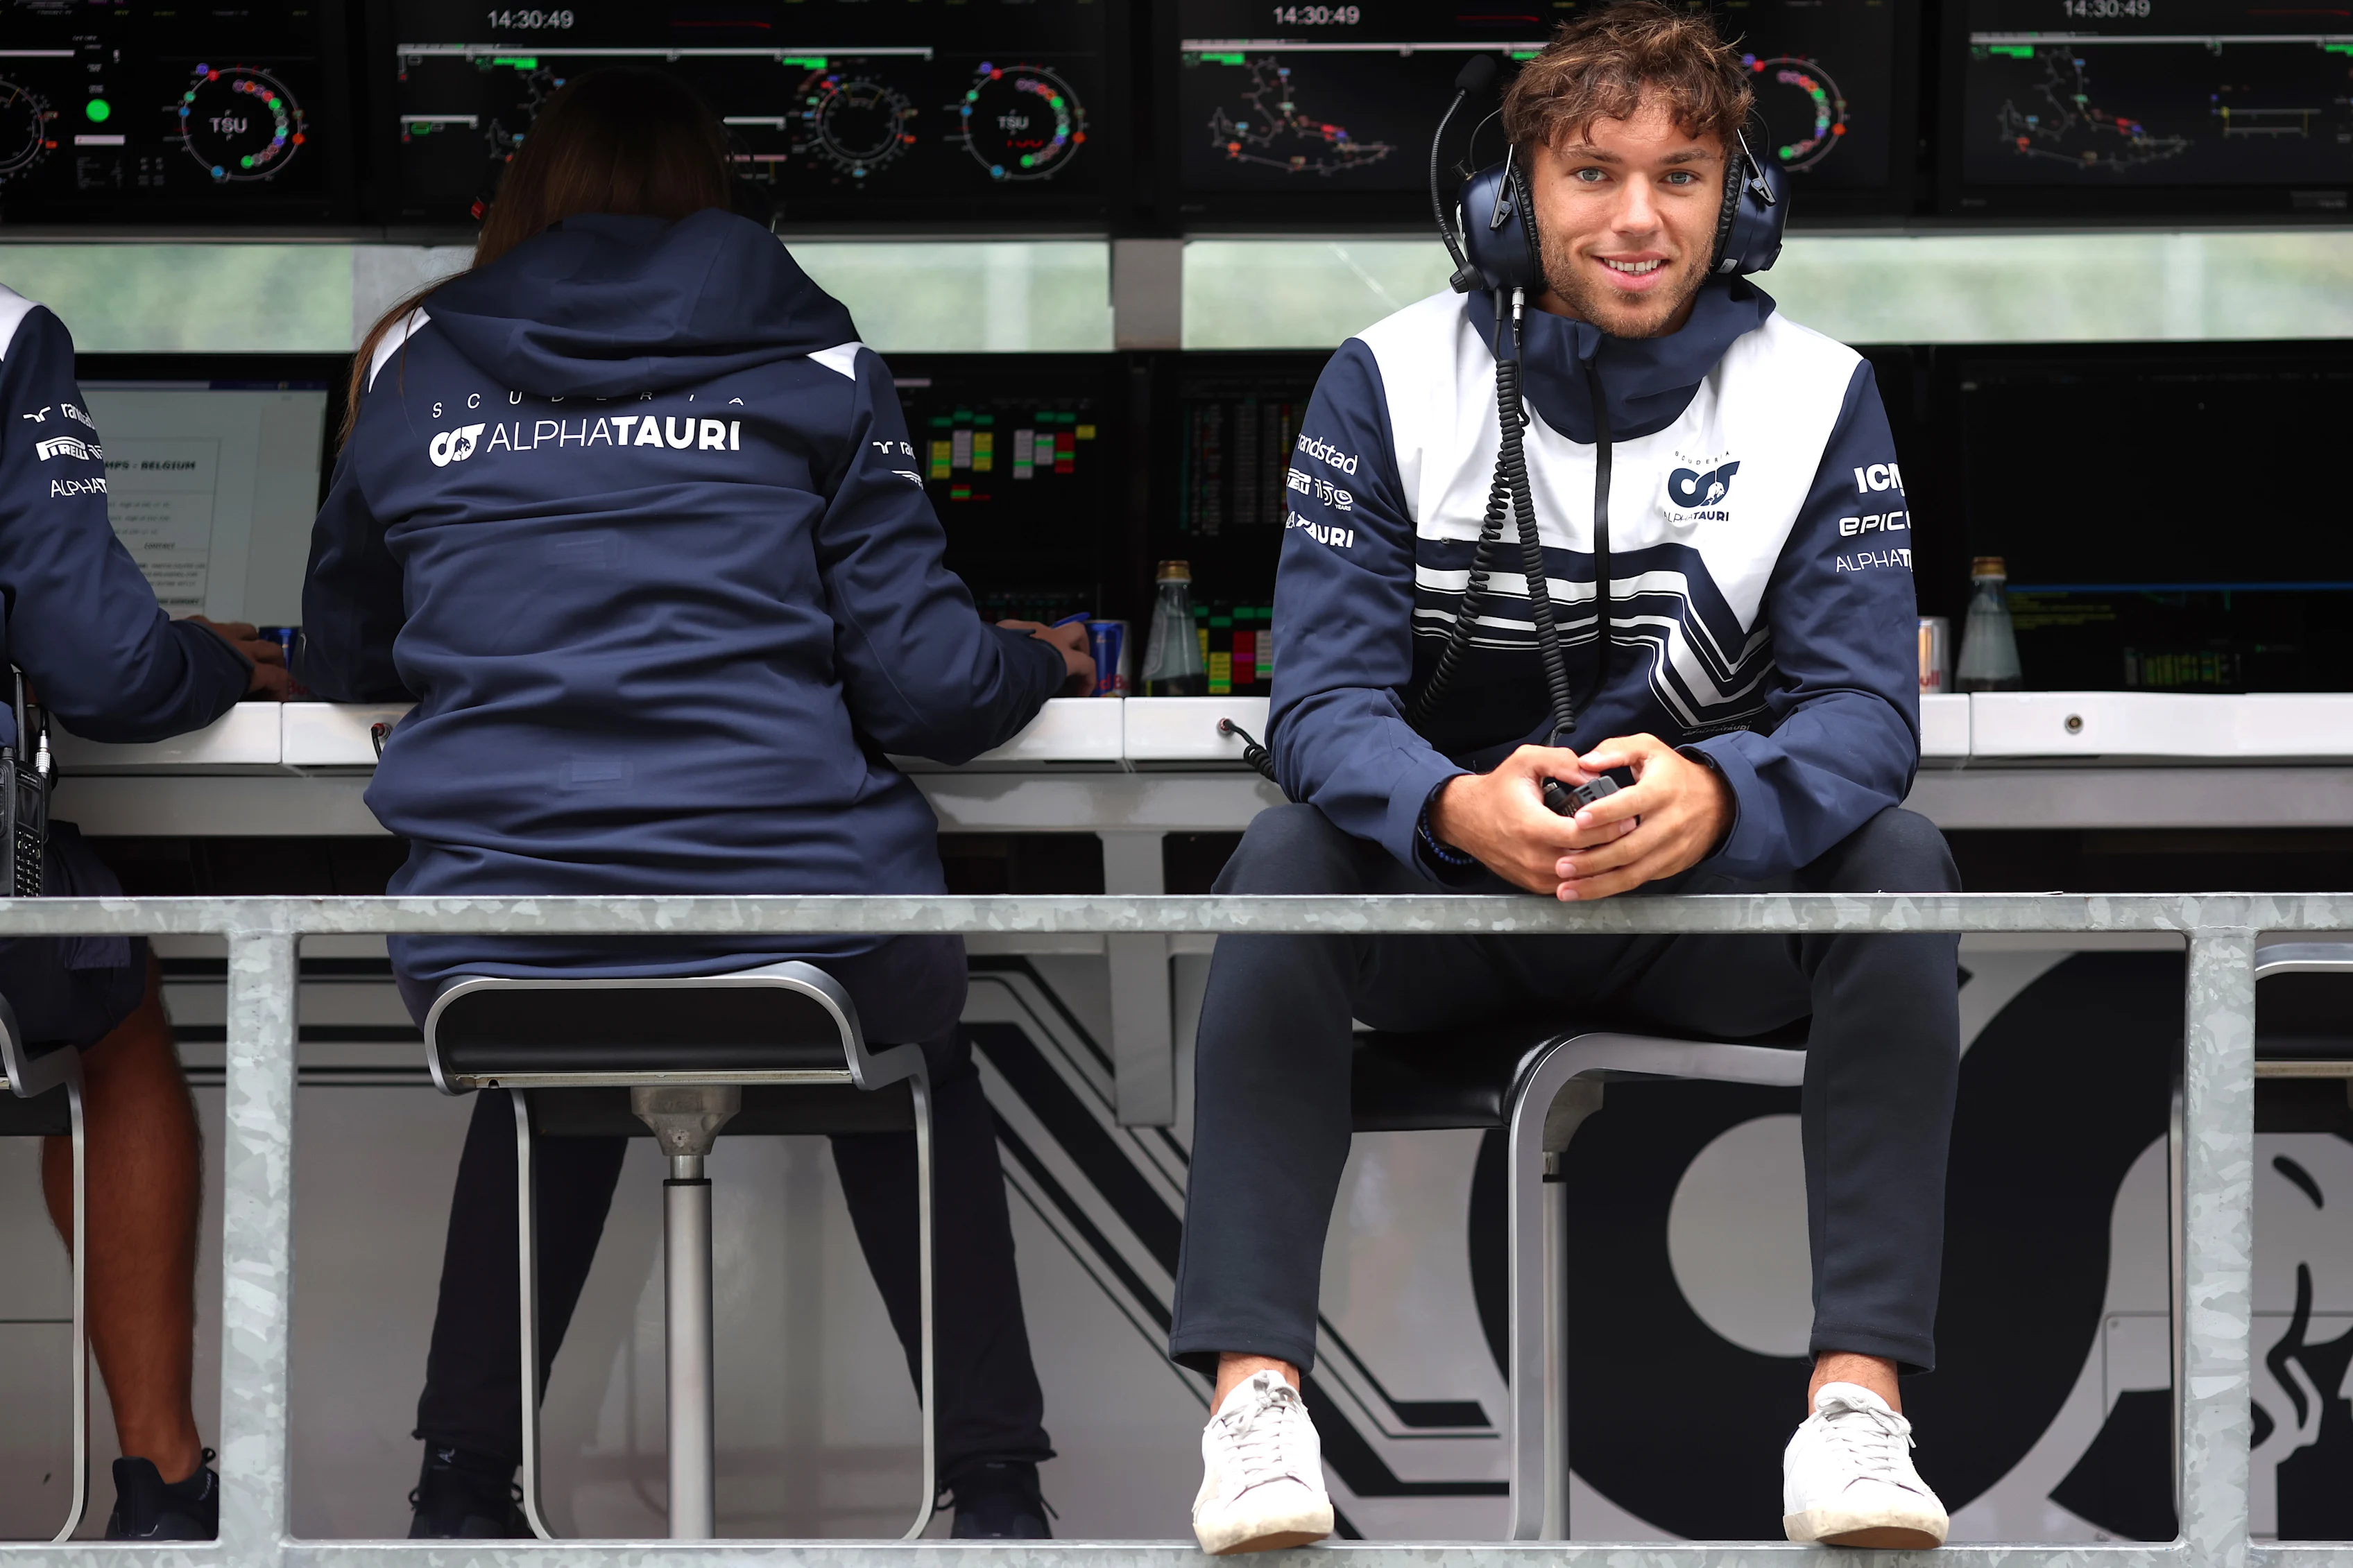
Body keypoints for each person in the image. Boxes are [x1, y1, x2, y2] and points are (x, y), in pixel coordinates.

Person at [1169, 3, 1960, 1554]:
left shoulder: (1818, 394)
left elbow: (1867, 719)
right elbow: (1320, 702)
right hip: (1448, 917)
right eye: (1592, 172)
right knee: (1277, 860)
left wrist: (1727, 794)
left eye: (1680, 173)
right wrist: (1451, 803)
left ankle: (1854, 1413)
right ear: (1510, 190)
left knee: (1903, 853)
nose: (1636, 218)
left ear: (1738, 194)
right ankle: (1253, 1407)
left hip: (1700, 923)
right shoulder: (1386, 380)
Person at [297, 69, 1087, 1540]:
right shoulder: (816, 357)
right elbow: (922, 687)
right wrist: (1034, 658)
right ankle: (993, 1493)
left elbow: (340, 648)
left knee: (557, 1021)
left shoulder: (413, 368)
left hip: (489, 927)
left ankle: (460, 1488)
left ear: (521, 197)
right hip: (799, 911)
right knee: (903, 1046)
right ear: (721, 195)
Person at [0, 284, 291, 1538]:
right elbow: (106, 668)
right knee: (105, 993)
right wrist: (219, 656)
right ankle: (162, 1483)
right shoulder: (5, 332)